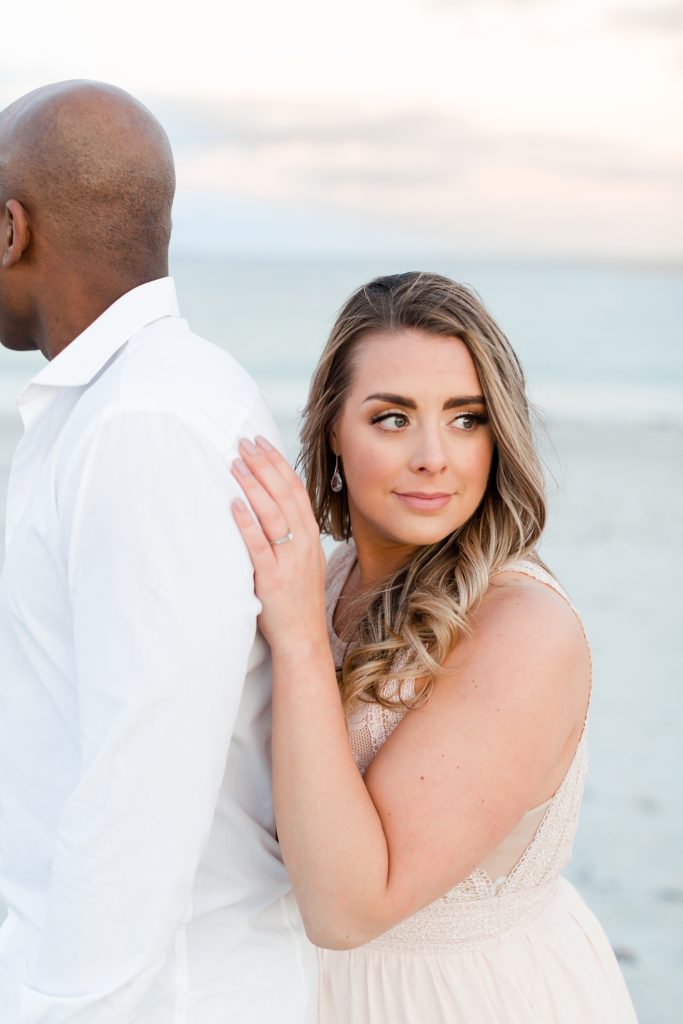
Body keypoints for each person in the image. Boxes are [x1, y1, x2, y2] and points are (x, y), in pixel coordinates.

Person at [232, 271, 638, 1022]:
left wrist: (291, 637)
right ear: (331, 429)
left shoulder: (522, 631)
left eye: (465, 418)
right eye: (391, 418)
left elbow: (349, 910)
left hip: (463, 1001)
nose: (432, 456)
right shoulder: (322, 583)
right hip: (301, 992)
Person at [0, 81, 316, 1023]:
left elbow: (147, 777)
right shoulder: (117, 404)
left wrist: (57, 1008)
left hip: (157, 997)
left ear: (11, 230)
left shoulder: (143, 421)